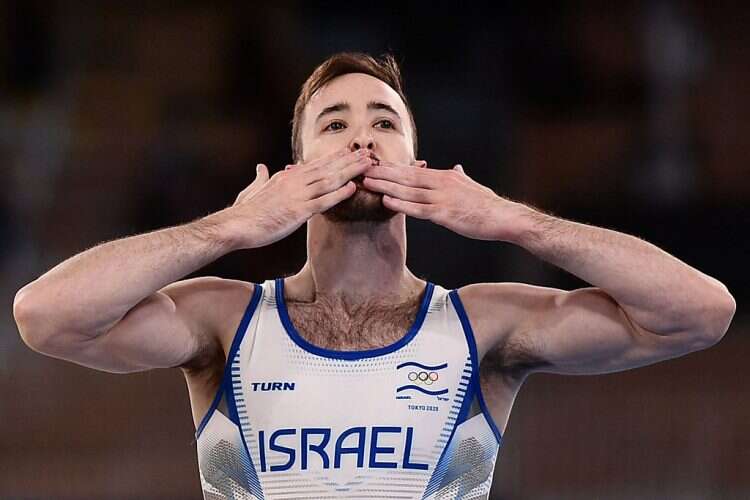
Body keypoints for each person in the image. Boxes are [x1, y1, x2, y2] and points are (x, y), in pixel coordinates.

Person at [13, 52, 736, 499]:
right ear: (296, 174)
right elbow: (45, 316)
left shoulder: (480, 327)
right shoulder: (225, 323)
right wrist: (228, 229)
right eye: (334, 124)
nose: (362, 135)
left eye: (384, 123)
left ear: (417, 166)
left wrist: (517, 221)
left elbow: (701, 312)